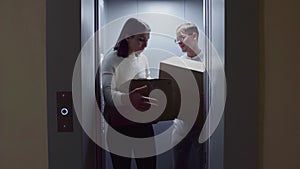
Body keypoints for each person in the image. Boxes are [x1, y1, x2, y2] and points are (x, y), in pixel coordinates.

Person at [102, 18, 156, 169]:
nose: (145, 45)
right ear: (127, 36)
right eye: (141, 40)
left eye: (147, 40)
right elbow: (107, 93)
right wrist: (128, 98)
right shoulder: (111, 59)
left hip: (143, 124)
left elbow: (146, 83)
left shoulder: (142, 58)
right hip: (120, 126)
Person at [172, 23, 205, 169]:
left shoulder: (208, 62)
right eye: (177, 39)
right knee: (179, 164)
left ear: (194, 36)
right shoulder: (178, 63)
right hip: (181, 124)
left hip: (201, 123)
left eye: (182, 37)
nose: (179, 41)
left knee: (202, 163)